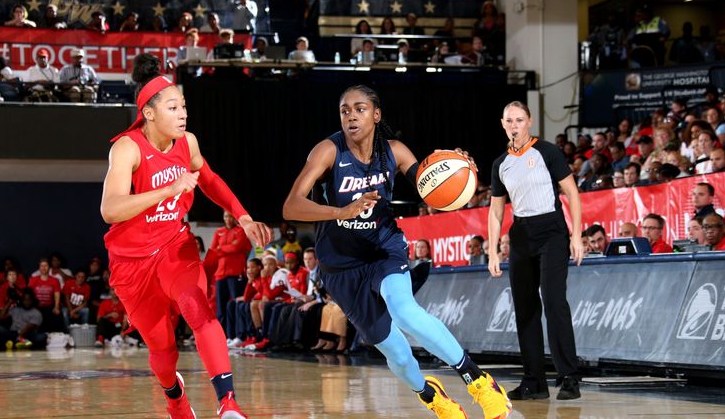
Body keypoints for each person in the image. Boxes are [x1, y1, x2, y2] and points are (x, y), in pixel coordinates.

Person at [282, 85, 512, 418]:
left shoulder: (395, 152)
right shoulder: (328, 151)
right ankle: (430, 395)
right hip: (341, 265)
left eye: (360, 109)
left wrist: (458, 171)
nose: (351, 116)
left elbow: (432, 188)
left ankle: (478, 381)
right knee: (398, 355)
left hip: (383, 248)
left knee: (405, 311)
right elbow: (291, 205)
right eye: (345, 110)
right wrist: (339, 212)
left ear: (376, 115)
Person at [100, 53, 272, 418]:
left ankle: (228, 404)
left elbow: (208, 179)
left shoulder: (187, 143)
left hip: (175, 247)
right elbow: (110, 209)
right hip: (132, 263)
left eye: (185, 107)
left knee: (199, 310)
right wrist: (167, 190)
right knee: (163, 353)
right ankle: (175, 397)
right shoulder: (127, 148)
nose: (183, 114)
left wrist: (242, 216)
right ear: (148, 113)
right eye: (174, 107)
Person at [487, 101, 584, 401]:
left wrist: (576, 235)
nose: (514, 125)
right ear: (503, 124)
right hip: (521, 235)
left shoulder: (547, 152)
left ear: (529, 122)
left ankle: (569, 377)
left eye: (519, 119)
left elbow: (572, 193)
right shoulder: (500, 163)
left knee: (554, 301)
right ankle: (535, 382)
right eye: (509, 120)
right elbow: (495, 211)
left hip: (552, 231)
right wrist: (492, 250)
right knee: (525, 309)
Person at [210, 211, 251, 329]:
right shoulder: (219, 232)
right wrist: (228, 248)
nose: (228, 219)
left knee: (235, 304)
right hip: (220, 273)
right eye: (226, 216)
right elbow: (213, 251)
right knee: (220, 306)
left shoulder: (241, 231)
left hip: (235, 272)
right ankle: (223, 333)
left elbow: (236, 247)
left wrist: (221, 248)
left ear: (235, 218)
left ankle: (236, 333)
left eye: (231, 216)